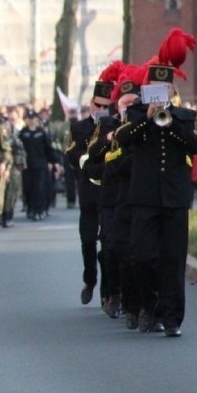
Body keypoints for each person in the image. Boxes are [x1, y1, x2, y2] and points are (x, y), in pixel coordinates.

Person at [114, 47, 197, 337]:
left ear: (171, 91)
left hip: (175, 198)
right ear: (146, 91)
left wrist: (171, 120)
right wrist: (147, 117)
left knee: (174, 260)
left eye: (163, 90)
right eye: (153, 90)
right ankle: (150, 306)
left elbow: (195, 146)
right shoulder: (136, 116)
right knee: (143, 255)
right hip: (145, 198)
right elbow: (124, 139)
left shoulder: (184, 117)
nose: (158, 95)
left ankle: (172, 318)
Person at [66, 83, 112, 306]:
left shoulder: (114, 126)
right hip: (88, 190)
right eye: (98, 105)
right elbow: (71, 153)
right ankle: (90, 279)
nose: (101, 109)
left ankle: (107, 290)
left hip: (109, 191)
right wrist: (85, 162)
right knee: (87, 241)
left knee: (108, 243)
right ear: (91, 104)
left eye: (106, 106)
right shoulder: (79, 127)